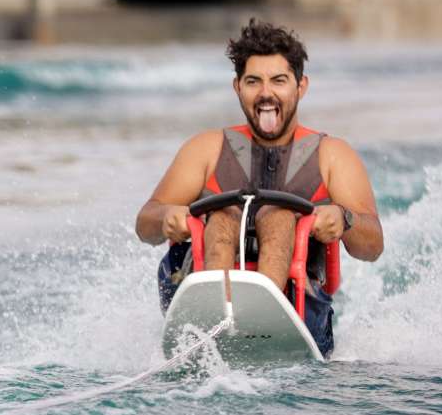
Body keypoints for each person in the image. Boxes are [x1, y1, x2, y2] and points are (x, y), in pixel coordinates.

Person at [135, 19, 383, 355]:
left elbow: (372, 246)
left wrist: (344, 218)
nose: (266, 93)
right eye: (254, 81)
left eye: (278, 81)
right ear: (237, 87)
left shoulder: (332, 156)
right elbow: (145, 225)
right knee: (222, 212)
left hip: (298, 310)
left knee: (280, 214)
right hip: (203, 297)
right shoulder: (205, 149)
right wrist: (166, 216)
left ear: (301, 86)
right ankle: (217, 321)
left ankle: (262, 320)